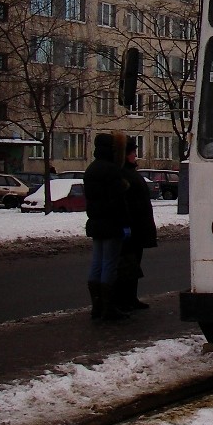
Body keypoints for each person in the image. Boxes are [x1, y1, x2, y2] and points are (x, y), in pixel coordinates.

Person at [83, 132, 130, 321]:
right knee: (109, 264)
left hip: (96, 222)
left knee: (97, 263)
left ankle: (97, 306)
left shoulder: (91, 169)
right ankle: (108, 308)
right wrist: (125, 224)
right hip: (112, 224)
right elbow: (118, 201)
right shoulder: (111, 170)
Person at [116, 137, 158, 311]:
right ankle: (126, 299)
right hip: (133, 226)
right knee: (129, 265)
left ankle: (130, 298)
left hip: (137, 225)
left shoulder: (129, 173)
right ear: (126, 155)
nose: (135, 155)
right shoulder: (125, 174)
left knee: (133, 264)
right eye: (133, 152)